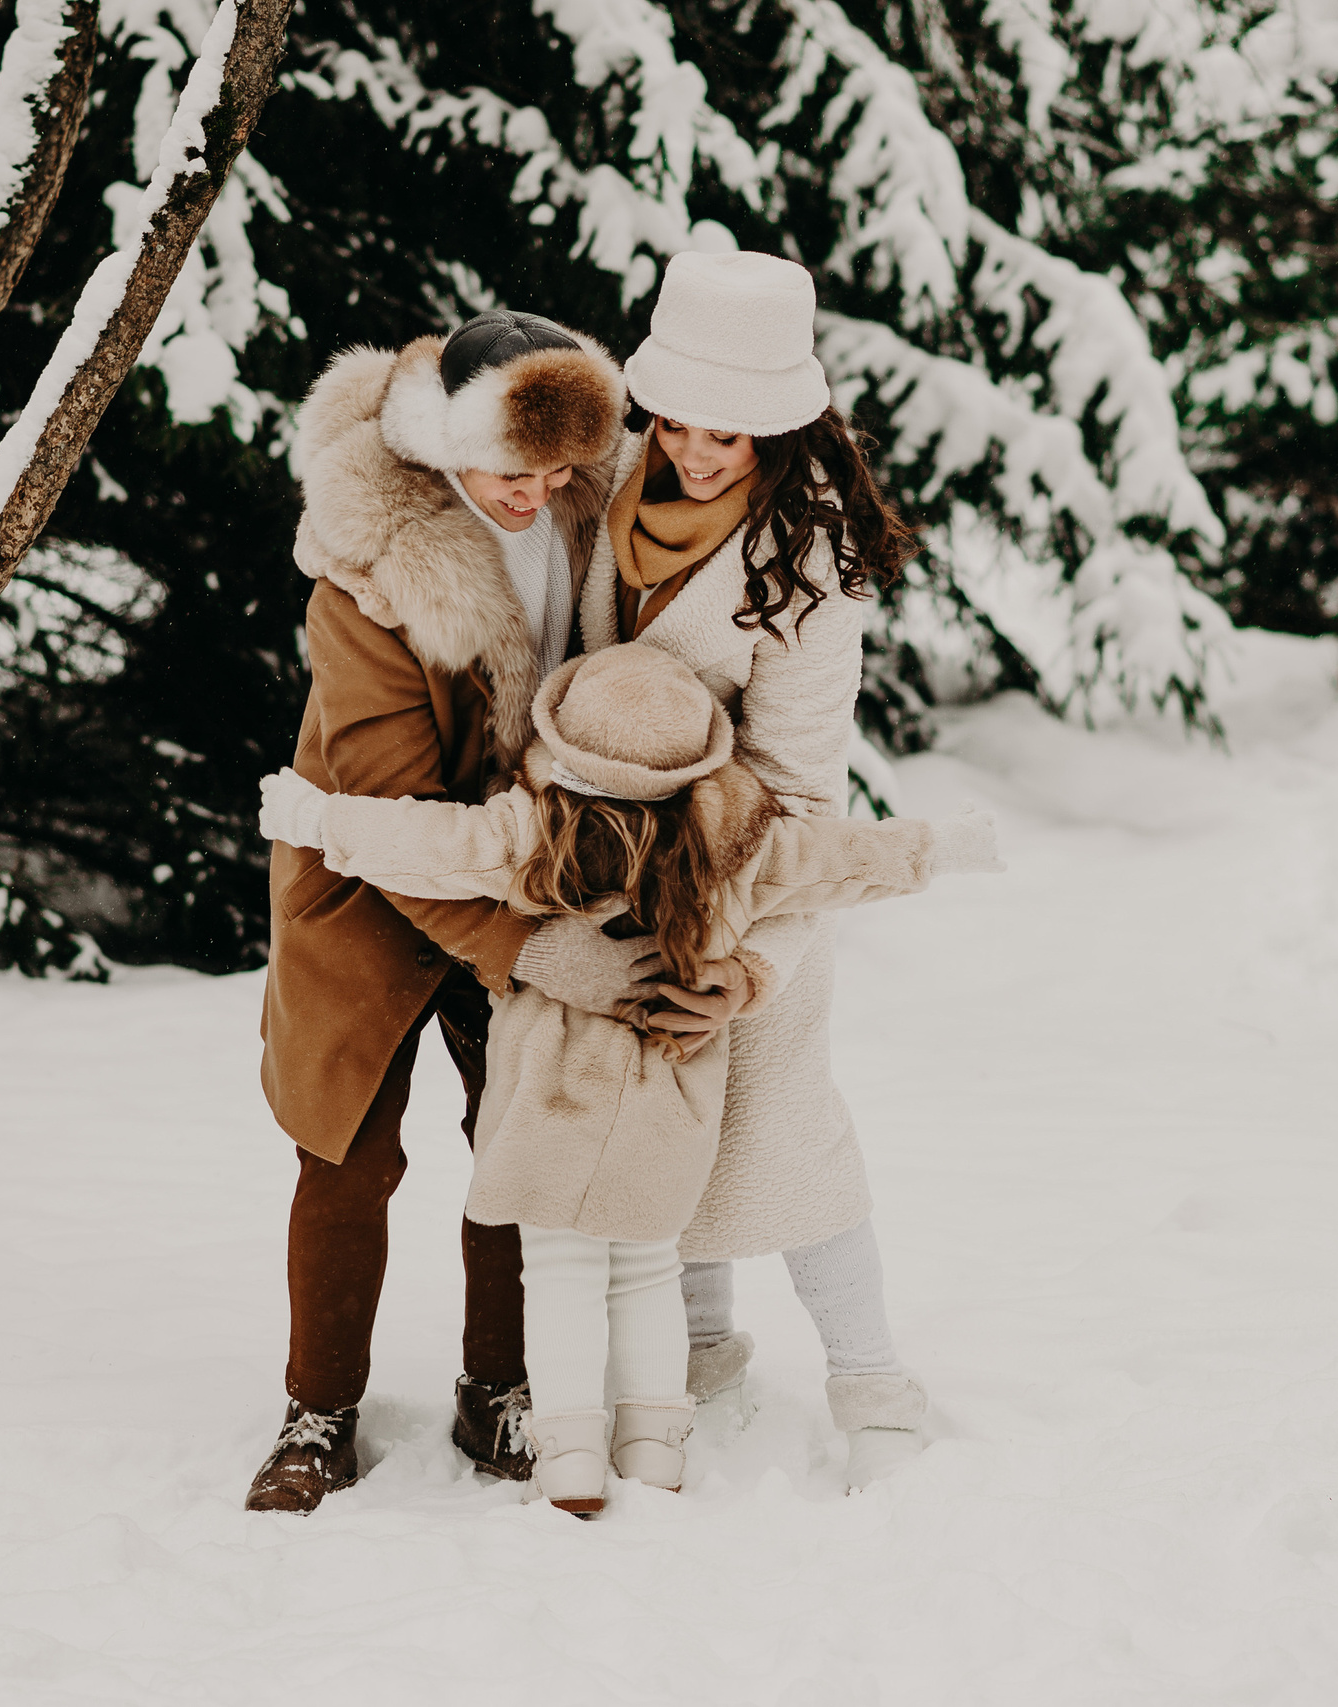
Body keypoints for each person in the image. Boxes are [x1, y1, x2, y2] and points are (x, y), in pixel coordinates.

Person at [258, 644, 1000, 1512]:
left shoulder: (533, 830)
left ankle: (569, 1456)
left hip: (547, 1098)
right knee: (648, 1268)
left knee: (562, 1268)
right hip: (671, 1099)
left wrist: (313, 817)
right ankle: (653, 1447)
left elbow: (425, 844)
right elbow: (837, 858)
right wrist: (945, 848)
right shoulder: (729, 846)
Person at [249, 310, 715, 1513]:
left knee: (517, 1141)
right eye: (516, 472)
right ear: (443, 444)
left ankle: (498, 1386)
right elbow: (391, 807)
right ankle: (319, 1406)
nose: (540, 493)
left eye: (561, 471)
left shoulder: (588, 503)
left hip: (534, 858)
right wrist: (530, 950)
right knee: (345, 1147)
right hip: (369, 869)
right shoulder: (366, 568)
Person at [578, 250, 931, 1488]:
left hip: (747, 882)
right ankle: (705, 1355)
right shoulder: (609, 484)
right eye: (677, 416)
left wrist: (750, 964)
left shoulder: (807, 559)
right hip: (604, 863)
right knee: (661, 1138)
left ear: (782, 424)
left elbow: (797, 791)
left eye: (729, 429)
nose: (696, 448)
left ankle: (872, 1380)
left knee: (783, 1142)